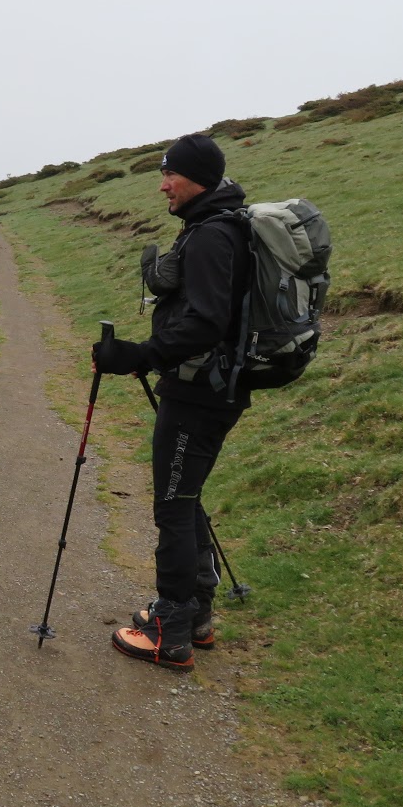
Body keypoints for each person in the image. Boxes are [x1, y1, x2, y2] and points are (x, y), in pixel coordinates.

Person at [92, 133, 251, 671]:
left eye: (170, 175)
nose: (163, 185)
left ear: (198, 179)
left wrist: (140, 353)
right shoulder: (220, 225)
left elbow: (206, 323)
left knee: (174, 506)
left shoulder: (212, 236)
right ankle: (197, 615)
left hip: (200, 392)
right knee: (186, 496)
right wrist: (149, 356)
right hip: (210, 386)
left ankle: (170, 630)